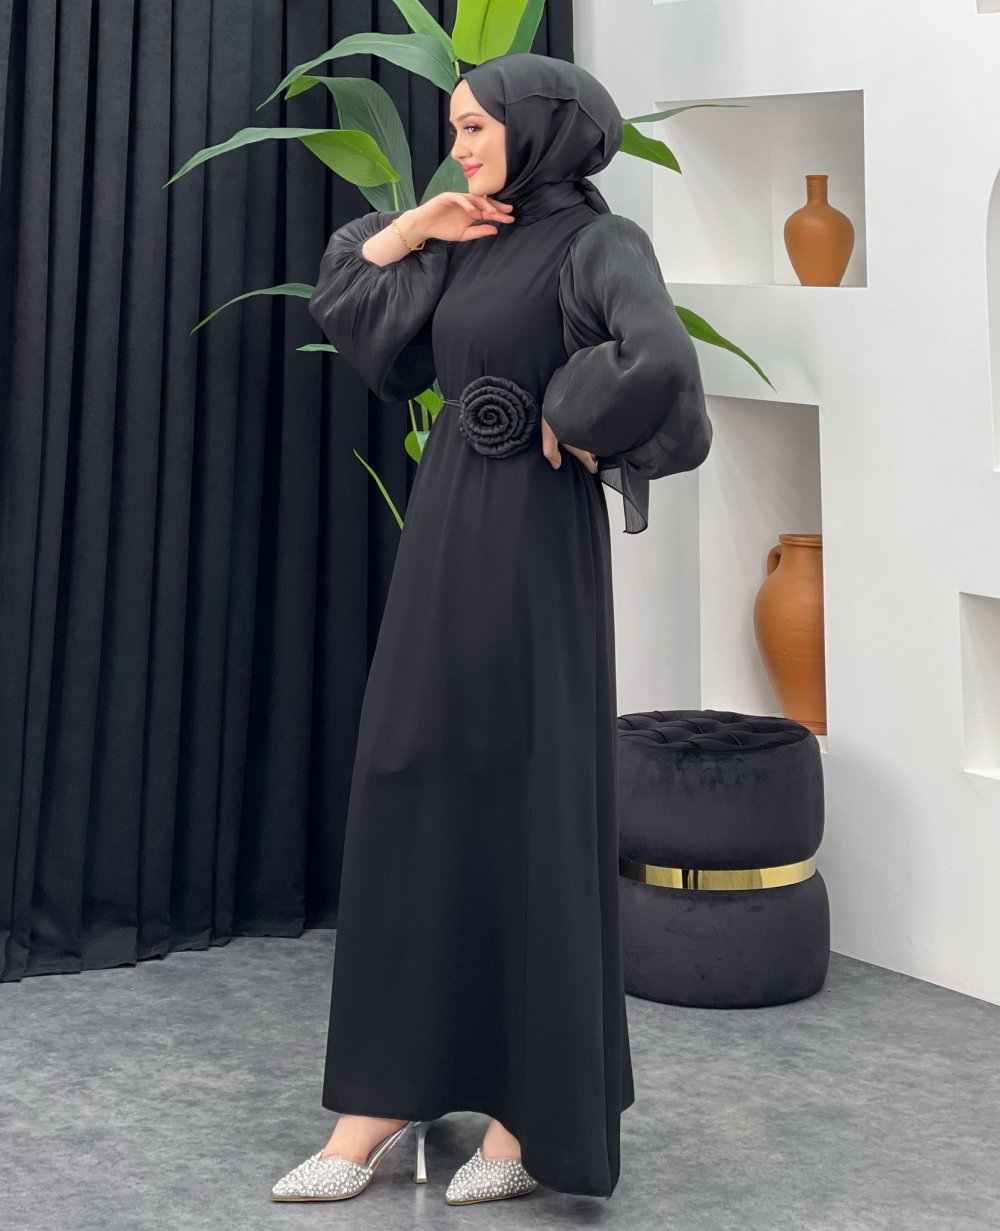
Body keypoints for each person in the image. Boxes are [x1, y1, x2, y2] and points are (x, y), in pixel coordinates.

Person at [269, 51, 713, 1206]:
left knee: (527, 792)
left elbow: (661, 359)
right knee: (408, 772)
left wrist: (571, 410)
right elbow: (353, 309)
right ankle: (379, 1103)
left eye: (474, 126)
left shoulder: (598, 243)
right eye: (453, 127)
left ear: (538, 126)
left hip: (533, 542)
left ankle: (522, 1122)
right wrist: (418, 224)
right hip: (446, 529)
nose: (458, 146)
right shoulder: (470, 232)